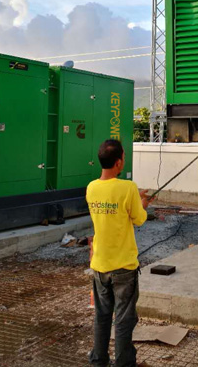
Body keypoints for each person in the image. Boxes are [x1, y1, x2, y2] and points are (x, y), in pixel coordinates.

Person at [86, 139, 154, 366]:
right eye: (123, 157)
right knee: (124, 320)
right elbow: (139, 219)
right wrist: (143, 203)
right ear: (117, 162)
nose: (124, 160)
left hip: (100, 264)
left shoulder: (91, 188)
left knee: (102, 317)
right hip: (124, 266)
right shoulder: (128, 188)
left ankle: (98, 361)